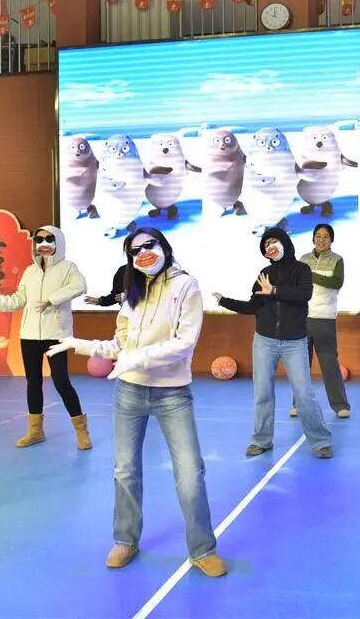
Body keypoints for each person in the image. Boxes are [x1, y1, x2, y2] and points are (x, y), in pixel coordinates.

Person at [48, 228, 226, 574]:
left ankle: (202, 549)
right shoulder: (132, 292)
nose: (143, 253)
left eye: (149, 245)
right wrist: (80, 345)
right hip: (129, 392)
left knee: (190, 473)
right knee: (125, 470)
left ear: (164, 246)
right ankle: (126, 540)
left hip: (172, 394)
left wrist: (136, 359)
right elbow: (121, 345)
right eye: (134, 250)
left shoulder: (185, 286)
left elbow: (184, 343)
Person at [213, 228, 334, 459]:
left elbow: (304, 294)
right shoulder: (264, 273)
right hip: (265, 341)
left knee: (304, 393)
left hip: (295, 342)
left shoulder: (301, 269)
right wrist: (224, 301)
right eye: (266, 243)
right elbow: (253, 306)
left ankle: (320, 441)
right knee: (263, 393)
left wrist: (275, 290)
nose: (270, 245)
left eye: (274, 241)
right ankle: (261, 440)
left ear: (285, 242)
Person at [0, 225, 91, 449]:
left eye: (49, 239)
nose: (44, 244)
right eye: (39, 240)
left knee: (61, 382)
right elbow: (18, 300)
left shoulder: (68, 268)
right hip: (29, 336)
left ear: (58, 242)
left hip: (56, 335)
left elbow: (80, 286)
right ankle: (35, 431)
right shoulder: (30, 271)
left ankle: (82, 431)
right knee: (33, 382)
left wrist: (52, 299)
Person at [296, 223, 351, 419]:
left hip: (324, 318)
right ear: (313, 238)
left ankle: (340, 405)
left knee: (329, 364)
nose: (321, 239)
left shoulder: (337, 260)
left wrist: (311, 275)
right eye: (318, 236)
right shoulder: (303, 259)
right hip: (302, 318)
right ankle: (298, 404)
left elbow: (336, 282)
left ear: (331, 240)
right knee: (300, 365)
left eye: (325, 236)